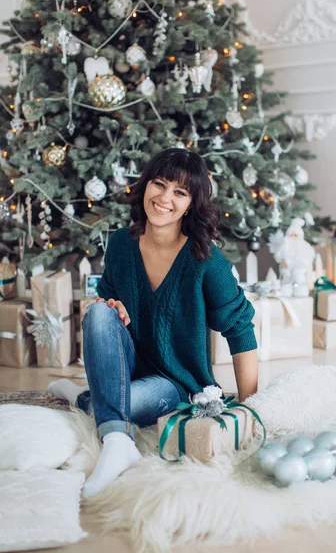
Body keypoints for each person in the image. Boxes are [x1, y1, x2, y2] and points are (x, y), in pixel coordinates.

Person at [48, 148, 258, 498]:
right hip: (127, 365)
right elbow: (106, 305)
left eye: (179, 192)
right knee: (99, 312)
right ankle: (119, 443)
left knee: (117, 403)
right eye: (159, 185)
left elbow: (240, 328)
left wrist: (251, 410)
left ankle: (85, 400)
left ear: (191, 204)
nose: (164, 198)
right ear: (144, 187)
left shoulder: (205, 259)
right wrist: (112, 308)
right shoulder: (119, 245)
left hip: (173, 383)